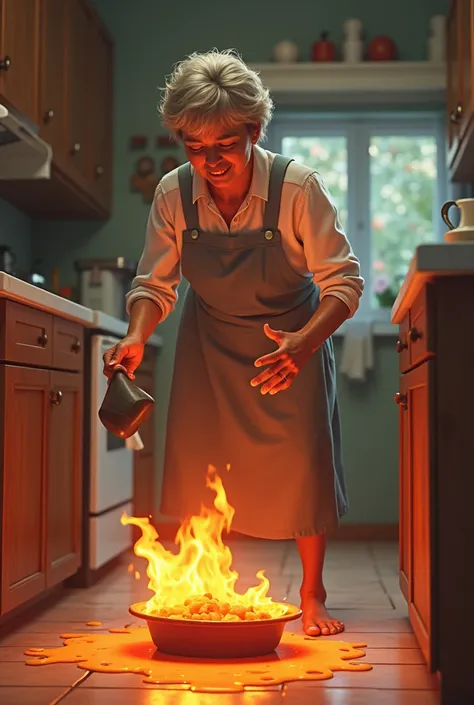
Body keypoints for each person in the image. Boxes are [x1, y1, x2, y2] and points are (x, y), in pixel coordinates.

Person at [103, 48, 364, 637]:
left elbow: (344, 282)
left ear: (253, 130)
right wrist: (137, 335)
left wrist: (301, 345)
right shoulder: (173, 193)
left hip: (289, 341)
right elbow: (154, 282)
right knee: (200, 463)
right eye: (194, 148)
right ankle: (200, 588)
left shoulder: (298, 187)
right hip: (208, 341)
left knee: (302, 465)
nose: (209, 161)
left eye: (224, 145)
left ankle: (314, 594)